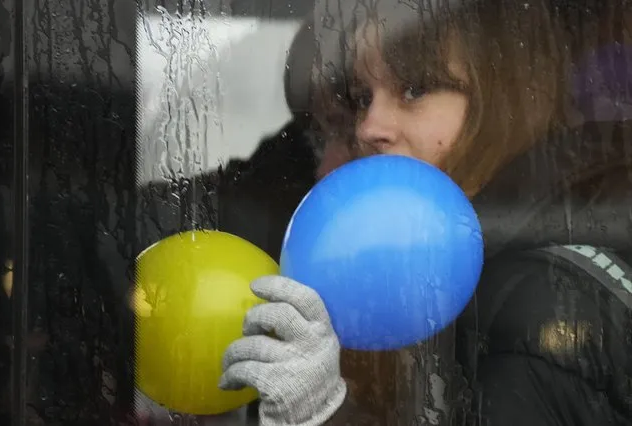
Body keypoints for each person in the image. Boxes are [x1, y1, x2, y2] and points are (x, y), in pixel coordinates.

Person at [215, 0, 632, 425]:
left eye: (414, 89)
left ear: (502, 100)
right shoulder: (453, 261)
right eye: (364, 98)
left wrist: (323, 415)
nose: (367, 126)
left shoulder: (537, 300)